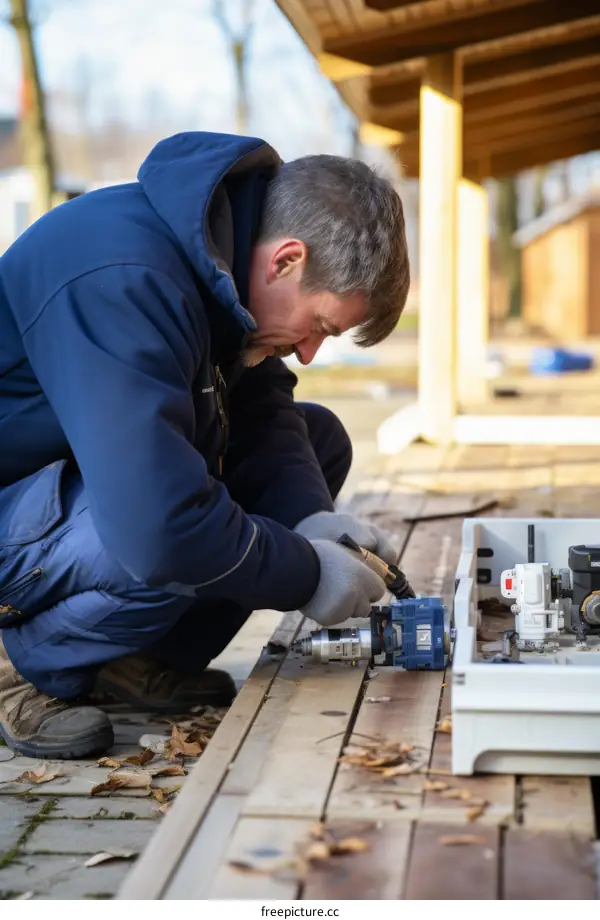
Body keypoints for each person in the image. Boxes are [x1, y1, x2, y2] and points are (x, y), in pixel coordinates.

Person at [0, 131, 410, 759]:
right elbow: (159, 526)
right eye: (320, 326)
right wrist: (304, 572)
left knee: (316, 440)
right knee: (155, 530)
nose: (308, 352)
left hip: (50, 495)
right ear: (286, 261)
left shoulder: (219, 265)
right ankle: (19, 663)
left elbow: (264, 408)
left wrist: (313, 523)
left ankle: (130, 661)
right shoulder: (123, 276)